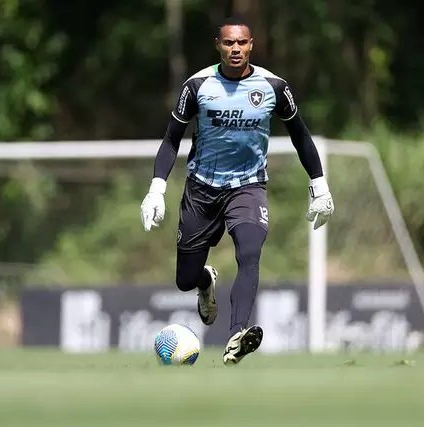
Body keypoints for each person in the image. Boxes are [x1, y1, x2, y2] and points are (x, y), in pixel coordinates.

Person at [140, 16, 334, 365]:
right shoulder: (197, 86)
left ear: (251, 45)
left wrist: (318, 183)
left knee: (250, 253)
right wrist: (156, 189)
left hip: (248, 187)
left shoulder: (274, 87)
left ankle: (237, 335)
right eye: (228, 43)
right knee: (185, 279)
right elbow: (171, 139)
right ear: (218, 45)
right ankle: (204, 281)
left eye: (241, 42)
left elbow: (300, 135)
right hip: (201, 189)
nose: (235, 49)